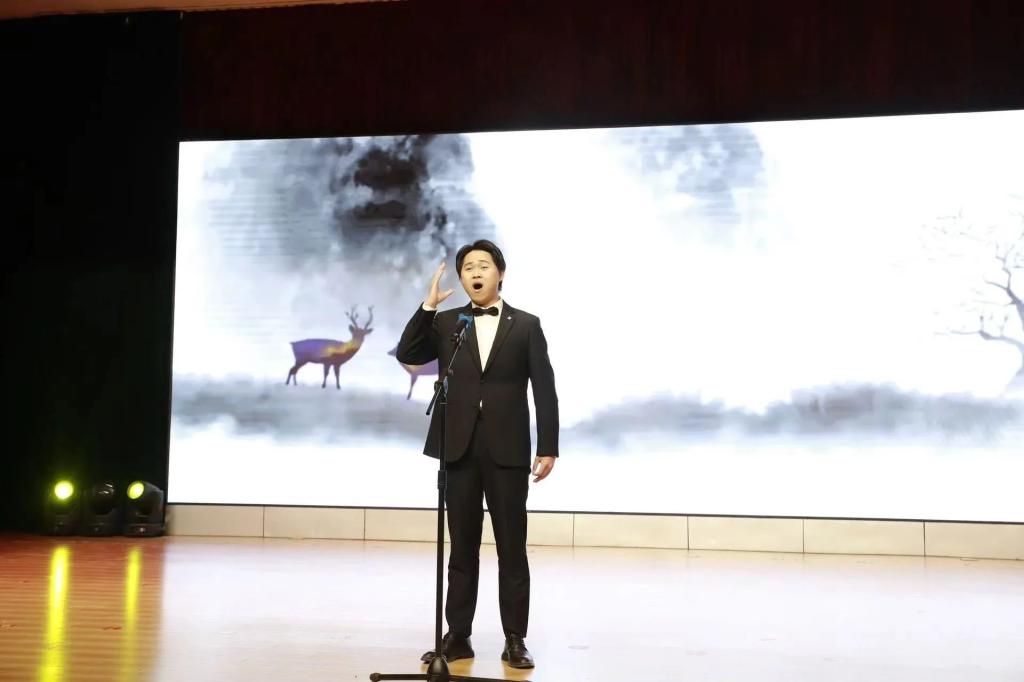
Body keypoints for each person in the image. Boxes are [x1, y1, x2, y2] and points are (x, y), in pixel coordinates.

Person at [396, 239, 559, 669]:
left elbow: (544, 387)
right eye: (468, 267)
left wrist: (548, 446)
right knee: (462, 548)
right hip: (459, 447)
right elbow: (408, 353)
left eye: (483, 265)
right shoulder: (449, 322)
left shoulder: (526, 325)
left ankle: (515, 639)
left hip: (508, 450)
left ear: (499, 273)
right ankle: (458, 636)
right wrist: (428, 306)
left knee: (512, 548)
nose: (475, 273)